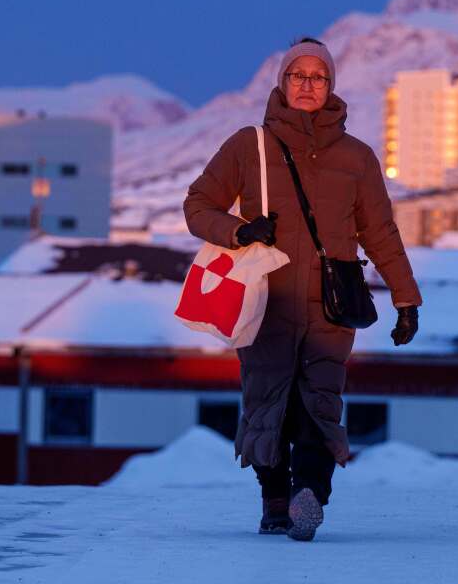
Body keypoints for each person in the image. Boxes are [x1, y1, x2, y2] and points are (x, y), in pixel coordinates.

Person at [183, 37, 423, 542]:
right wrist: (239, 231)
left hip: (330, 302)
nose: (308, 85)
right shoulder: (248, 145)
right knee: (269, 398)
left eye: (318, 77)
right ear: (282, 82)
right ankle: (275, 498)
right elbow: (198, 204)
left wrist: (406, 299)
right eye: (298, 75)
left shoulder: (357, 157)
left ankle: (309, 494)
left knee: (320, 399)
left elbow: (380, 232)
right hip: (264, 298)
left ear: (331, 85)